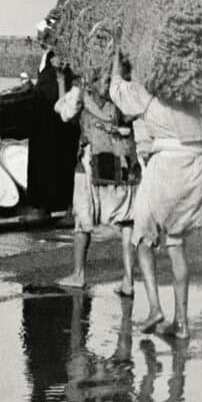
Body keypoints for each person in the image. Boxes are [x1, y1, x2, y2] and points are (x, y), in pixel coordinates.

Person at [108, 49, 202, 338]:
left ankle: (156, 308)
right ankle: (181, 322)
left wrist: (118, 61)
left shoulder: (151, 89)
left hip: (167, 168)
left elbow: (116, 90)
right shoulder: (199, 91)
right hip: (196, 168)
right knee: (176, 243)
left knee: (143, 239)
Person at [54, 60, 141, 294]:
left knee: (83, 218)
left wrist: (62, 81)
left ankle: (79, 274)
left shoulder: (82, 90)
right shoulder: (128, 89)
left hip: (93, 159)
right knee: (127, 221)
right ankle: (128, 280)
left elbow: (64, 112)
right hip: (126, 160)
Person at [24, 43, 81, 221]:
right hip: (45, 130)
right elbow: (46, 101)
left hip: (64, 130)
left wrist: (62, 79)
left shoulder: (68, 75)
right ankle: (42, 207)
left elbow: (67, 104)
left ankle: (67, 207)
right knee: (43, 167)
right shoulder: (48, 75)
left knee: (65, 166)